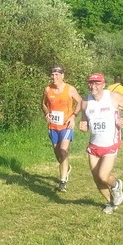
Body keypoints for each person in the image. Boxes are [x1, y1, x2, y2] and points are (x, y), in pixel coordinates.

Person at [79, 73, 123, 214]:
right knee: (97, 179)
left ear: (103, 84)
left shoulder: (113, 97)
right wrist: (83, 122)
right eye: (91, 83)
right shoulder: (85, 101)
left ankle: (116, 185)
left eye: (97, 83)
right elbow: (84, 115)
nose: (93, 86)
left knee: (103, 176)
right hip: (94, 145)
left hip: (110, 143)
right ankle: (111, 201)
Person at [42, 64, 82, 192]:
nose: (54, 77)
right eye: (52, 75)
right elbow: (43, 103)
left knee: (63, 150)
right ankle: (67, 167)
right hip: (53, 126)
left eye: (57, 75)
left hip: (66, 126)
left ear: (62, 76)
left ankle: (63, 181)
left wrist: (73, 116)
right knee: (59, 155)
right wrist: (46, 113)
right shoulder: (48, 90)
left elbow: (80, 102)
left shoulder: (69, 89)